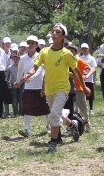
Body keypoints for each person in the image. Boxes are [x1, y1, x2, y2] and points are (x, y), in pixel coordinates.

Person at [23, 23, 90, 152]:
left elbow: (76, 72)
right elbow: (35, 67)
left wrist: (84, 87)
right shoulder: (44, 51)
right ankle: (72, 123)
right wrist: (29, 73)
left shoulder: (67, 54)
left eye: (57, 32)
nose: (54, 34)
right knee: (57, 115)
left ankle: (53, 143)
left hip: (63, 89)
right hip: (49, 89)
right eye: (53, 31)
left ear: (64, 36)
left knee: (53, 115)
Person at [16, 35, 50, 137]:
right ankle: (26, 129)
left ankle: (49, 126)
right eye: (29, 43)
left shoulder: (41, 56)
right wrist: (17, 82)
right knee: (27, 107)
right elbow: (20, 71)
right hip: (28, 87)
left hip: (41, 86)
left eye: (32, 43)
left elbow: (39, 71)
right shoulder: (22, 58)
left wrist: (31, 78)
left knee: (46, 108)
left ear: (36, 45)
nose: (30, 45)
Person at [68, 44, 92, 133]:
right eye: (68, 51)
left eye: (72, 51)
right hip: (69, 88)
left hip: (79, 87)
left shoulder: (79, 60)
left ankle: (86, 121)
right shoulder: (65, 61)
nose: (70, 53)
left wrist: (86, 76)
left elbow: (91, 69)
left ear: (76, 52)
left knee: (83, 108)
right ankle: (73, 126)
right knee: (71, 109)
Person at [79, 43, 97, 116]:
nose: (84, 50)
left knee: (90, 95)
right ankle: (84, 108)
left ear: (88, 49)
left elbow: (93, 68)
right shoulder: (80, 58)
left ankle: (91, 109)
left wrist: (87, 75)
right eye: (83, 49)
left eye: (85, 48)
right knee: (83, 94)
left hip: (89, 79)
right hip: (82, 78)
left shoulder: (92, 58)